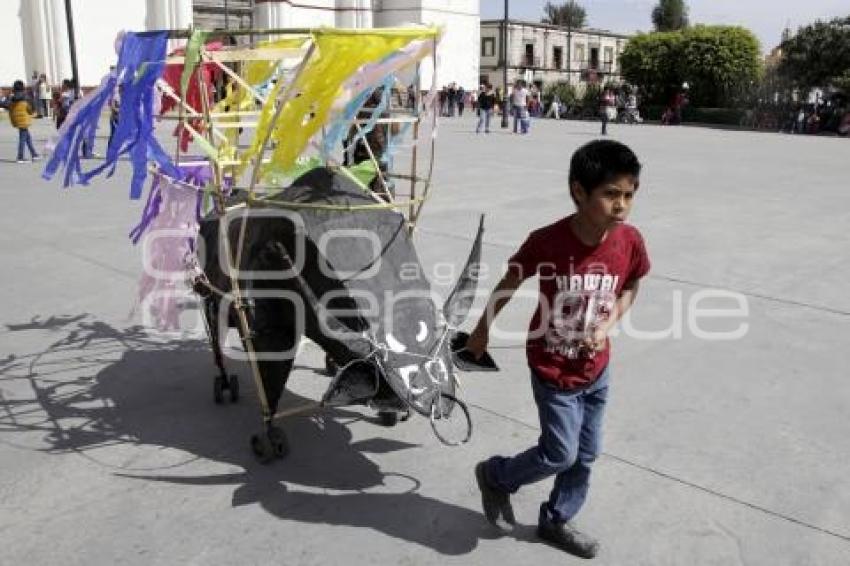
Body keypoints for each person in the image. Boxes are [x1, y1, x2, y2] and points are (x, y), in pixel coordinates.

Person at [468, 139, 650, 559]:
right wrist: (482, 330)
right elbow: (509, 282)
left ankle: (556, 519)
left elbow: (632, 285)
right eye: (610, 194)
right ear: (579, 192)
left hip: (596, 368)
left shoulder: (630, 241)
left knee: (586, 454)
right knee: (559, 453)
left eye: (629, 194)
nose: (621, 205)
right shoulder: (547, 241)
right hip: (552, 368)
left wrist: (606, 325)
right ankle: (497, 475)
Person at [4, 80, 41, 163]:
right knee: (22, 139)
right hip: (24, 120)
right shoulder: (26, 98)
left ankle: (34, 154)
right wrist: (33, 112)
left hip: (16, 120)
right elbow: (30, 109)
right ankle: (20, 157)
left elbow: (6, 105)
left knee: (28, 138)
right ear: (22, 88)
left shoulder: (12, 98)